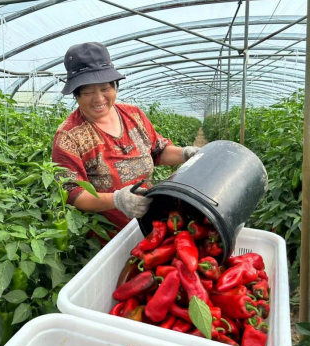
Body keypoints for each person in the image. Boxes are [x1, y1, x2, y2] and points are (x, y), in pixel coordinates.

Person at [52, 42, 200, 233]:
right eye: (88, 92)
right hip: (108, 235)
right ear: (76, 95)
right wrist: (117, 200)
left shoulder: (133, 115)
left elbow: (158, 151)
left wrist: (186, 153)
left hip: (153, 222)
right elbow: (73, 193)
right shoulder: (69, 136)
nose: (99, 98)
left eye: (105, 89)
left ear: (115, 86)